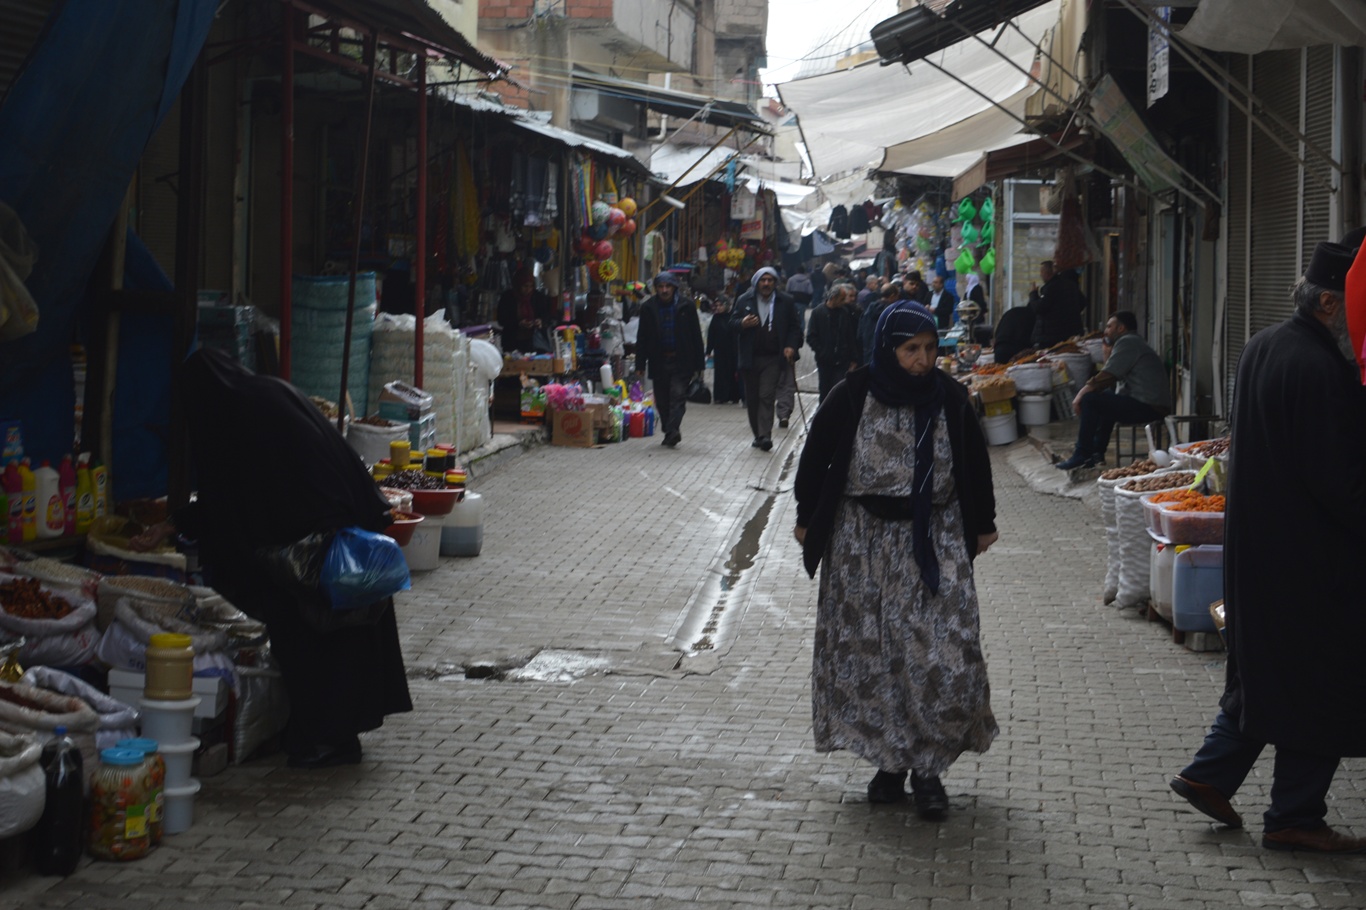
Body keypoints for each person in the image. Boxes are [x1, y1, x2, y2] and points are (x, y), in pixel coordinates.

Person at [1170, 241, 1366, 854]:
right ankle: (1294, 816)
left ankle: (1209, 774)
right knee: (1323, 683)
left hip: (1259, 550)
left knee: (1268, 673)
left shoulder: (1263, 345)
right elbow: (1340, 482)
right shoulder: (1320, 370)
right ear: (1330, 303)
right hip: (1312, 560)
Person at [129, 349, 412, 769]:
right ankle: (332, 736)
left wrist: (179, 526)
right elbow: (243, 491)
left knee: (313, 640)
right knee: (343, 639)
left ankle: (326, 740)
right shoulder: (267, 393)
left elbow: (233, 499)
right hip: (339, 529)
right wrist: (172, 525)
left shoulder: (239, 419)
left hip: (312, 550)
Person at [793, 301, 999, 817]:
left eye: (929, 349)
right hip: (861, 544)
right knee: (873, 657)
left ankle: (929, 768)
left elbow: (975, 461)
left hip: (934, 536)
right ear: (888, 349)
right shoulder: (852, 394)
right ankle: (890, 767)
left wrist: (983, 521)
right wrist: (806, 516)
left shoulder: (950, 396)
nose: (923, 360)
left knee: (942, 655)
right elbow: (814, 457)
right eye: (911, 350)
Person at [1055, 311, 1171, 470]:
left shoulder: (1128, 342)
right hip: (1147, 404)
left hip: (1150, 406)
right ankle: (1096, 453)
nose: (1106, 331)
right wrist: (1106, 353)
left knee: (1090, 400)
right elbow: (1112, 372)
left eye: (1109, 326)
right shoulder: (1132, 342)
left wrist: (1081, 394)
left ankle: (1082, 454)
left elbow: (1108, 375)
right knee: (1104, 399)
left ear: (1121, 328)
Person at [733, 266, 802, 451]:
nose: (766, 284)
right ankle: (758, 434)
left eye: (770, 280)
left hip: (773, 358)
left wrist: (791, 346)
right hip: (750, 358)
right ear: (756, 283)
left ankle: (765, 435)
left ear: (775, 283)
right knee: (753, 398)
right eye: (763, 280)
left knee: (766, 395)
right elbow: (732, 323)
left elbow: (795, 327)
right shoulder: (744, 300)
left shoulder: (785, 301)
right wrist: (742, 323)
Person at [635, 272, 705, 448]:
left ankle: (672, 430)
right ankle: (669, 429)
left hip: (682, 360)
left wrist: (699, 364)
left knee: (678, 395)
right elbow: (642, 337)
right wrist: (640, 363)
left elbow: (696, 335)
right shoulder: (648, 308)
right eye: (661, 287)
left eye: (668, 286)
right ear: (656, 289)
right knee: (662, 399)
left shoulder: (687, 306)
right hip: (658, 360)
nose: (664, 290)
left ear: (674, 288)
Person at [805, 280, 861, 403]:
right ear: (833, 298)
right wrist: (821, 351)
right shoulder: (818, 312)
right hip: (825, 361)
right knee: (825, 391)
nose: (844, 301)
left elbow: (849, 336)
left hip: (842, 360)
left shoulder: (844, 312)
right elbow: (811, 336)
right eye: (842, 299)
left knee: (839, 390)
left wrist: (853, 358)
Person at [496, 267, 556, 353]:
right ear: (518, 285)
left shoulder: (538, 297)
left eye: (531, 286)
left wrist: (540, 322)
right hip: (511, 342)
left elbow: (547, 316)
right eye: (525, 286)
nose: (528, 289)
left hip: (534, 343)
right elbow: (501, 319)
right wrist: (519, 323)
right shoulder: (508, 297)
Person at [1027, 260, 1085, 348]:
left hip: (1051, 336)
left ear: (1047, 273)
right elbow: (1083, 302)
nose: (1040, 275)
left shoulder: (1051, 288)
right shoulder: (1071, 285)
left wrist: (1033, 294)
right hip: (1071, 333)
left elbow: (1039, 308)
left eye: (1041, 272)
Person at [705, 294, 741, 404]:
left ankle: (733, 396)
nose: (718, 308)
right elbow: (711, 335)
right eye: (717, 306)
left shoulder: (732, 316)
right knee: (720, 373)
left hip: (732, 350)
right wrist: (708, 350)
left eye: (720, 305)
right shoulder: (716, 318)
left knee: (732, 372)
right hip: (720, 350)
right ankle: (721, 396)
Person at [859, 282, 900, 367]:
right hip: (884, 353)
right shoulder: (891, 312)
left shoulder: (869, 309)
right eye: (897, 297)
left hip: (868, 351)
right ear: (892, 296)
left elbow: (860, 331)